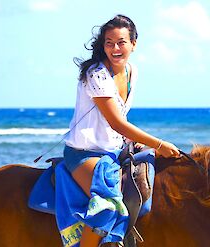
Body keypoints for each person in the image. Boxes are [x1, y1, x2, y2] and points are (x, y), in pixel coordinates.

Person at [63, 14, 180, 247]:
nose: (115, 48)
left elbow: (119, 118)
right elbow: (116, 122)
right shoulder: (96, 74)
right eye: (109, 42)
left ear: (133, 44)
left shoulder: (131, 72)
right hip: (84, 154)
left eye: (121, 42)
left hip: (113, 150)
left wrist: (132, 140)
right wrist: (159, 144)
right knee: (107, 207)